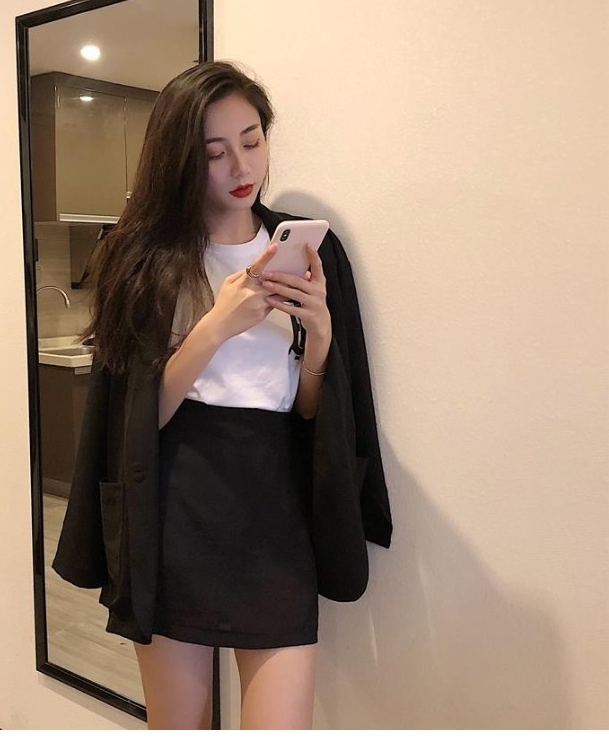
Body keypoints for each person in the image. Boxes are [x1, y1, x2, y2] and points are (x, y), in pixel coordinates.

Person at [51, 60, 392, 730]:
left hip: (276, 516)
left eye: (252, 139)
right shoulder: (143, 259)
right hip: (176, 511)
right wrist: (214, 328)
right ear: (180, 160)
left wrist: (320, 339)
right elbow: (134, 425)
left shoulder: (315, 253)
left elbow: (312, 415)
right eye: (214, 152)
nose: (241, 165)